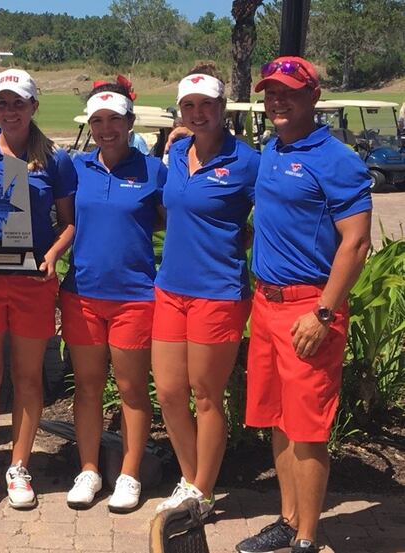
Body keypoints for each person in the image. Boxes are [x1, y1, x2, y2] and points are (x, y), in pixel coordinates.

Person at [235, 56, 371, 553]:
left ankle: (308, 540)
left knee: (308, 428)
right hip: (266, 304)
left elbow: (356, 243)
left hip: (309, 308)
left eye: (289, 91)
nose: (278, 100)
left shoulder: (337, 159)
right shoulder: (271, 150)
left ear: (313, 96)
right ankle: (288, 519)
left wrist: (324, 312)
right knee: (279, 419)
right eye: (271, 92)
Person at [0, 69, 76, 510]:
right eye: (2, 103)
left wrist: (53, 253)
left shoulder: (55, 160)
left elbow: (68, 222)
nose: (10, 110)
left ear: (34, 107)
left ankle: (19, 465)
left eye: (18, 102)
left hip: (33, 281)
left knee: (27, 377)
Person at [151, 62, 260, 520]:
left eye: (206, 105)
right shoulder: (176, 153)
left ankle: (203, 490)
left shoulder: (247, 161)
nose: (198, 113)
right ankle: (192, 481)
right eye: (189, 106)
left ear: (222, 109)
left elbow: (269, 220)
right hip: (170, 288)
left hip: (218, 291)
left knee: (206, 392)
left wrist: (237, 241)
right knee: (171, 392)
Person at [61, 81, 166, 511]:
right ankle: (88, 470)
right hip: (82, 295)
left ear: (129, 123)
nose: (106, 129)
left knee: (132, 389)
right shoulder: (74, 168)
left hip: (135, 297)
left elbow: (170, 220)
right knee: (86, 389)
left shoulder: (154, 170)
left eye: (114, 120)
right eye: (98, 121)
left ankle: (128, 473)